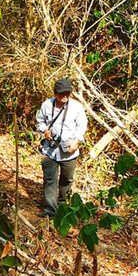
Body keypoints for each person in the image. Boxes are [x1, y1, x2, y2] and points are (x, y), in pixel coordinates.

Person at [36, 78, 88, 217]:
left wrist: (77, 141)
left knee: (66, 180)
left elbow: (82, 126)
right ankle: (50, 209)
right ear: (55, 93)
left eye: (67, 93)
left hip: (69, 152)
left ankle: (63, 204)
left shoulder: (76, 107)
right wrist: (45, 131)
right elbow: (40, 121)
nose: (64, 96)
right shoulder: (47, 105)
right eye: (61, 93)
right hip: (50, 151)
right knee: (50, 180)